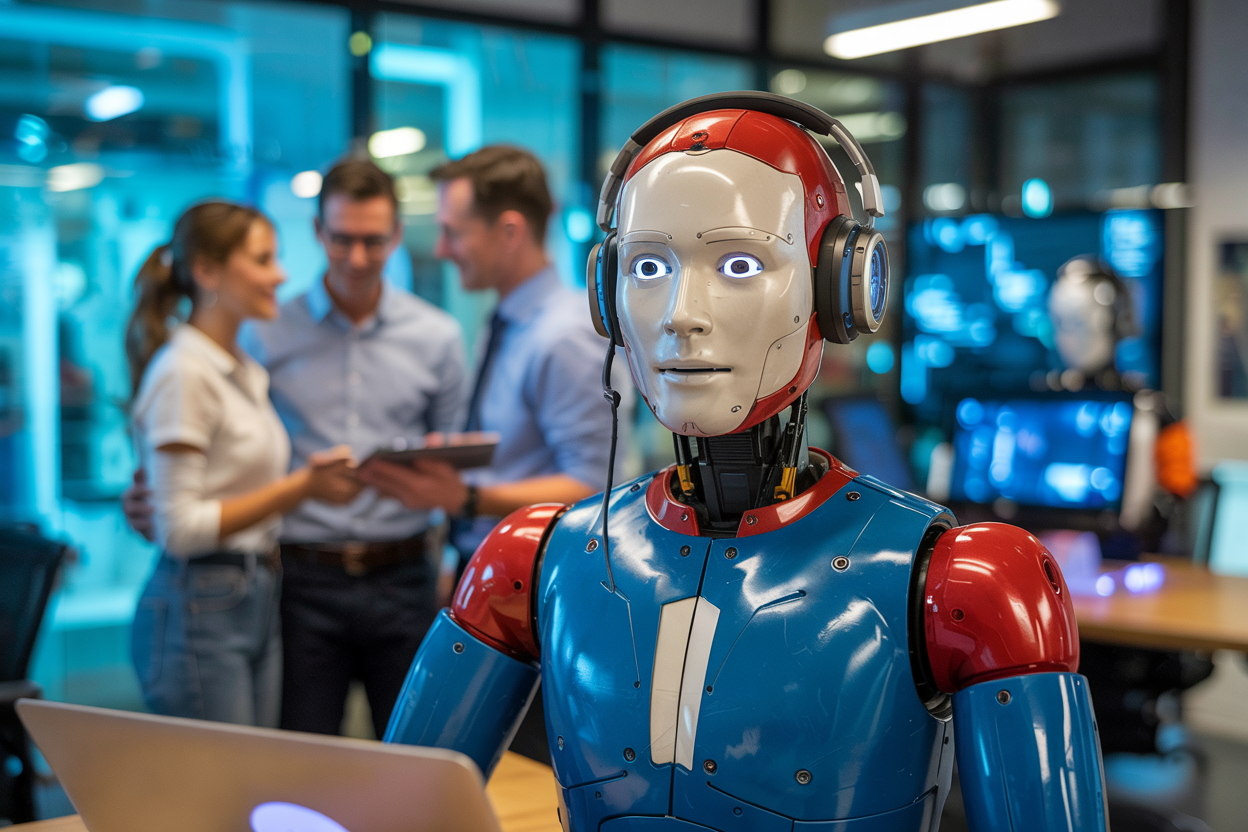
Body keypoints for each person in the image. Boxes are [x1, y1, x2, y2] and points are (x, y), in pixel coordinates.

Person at [382, 92, 1108, 832]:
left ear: (842, 287)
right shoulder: (533, 558)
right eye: (648, 266)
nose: (679, 312)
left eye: (737, 262)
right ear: (606, 292)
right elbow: (388, 807)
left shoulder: (968, 582)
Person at [127, 160, 468, 738]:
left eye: (374, 240)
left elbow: (448, 462)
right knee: (293, 765)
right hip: (298, 581)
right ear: (318, 232)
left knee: (414, 755)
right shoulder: (256, 334)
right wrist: (152, 498)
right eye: (342, 239)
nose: (357, 257)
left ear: (393, 236)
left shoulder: (436, 337)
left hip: (400, 573)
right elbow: (187, 483)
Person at [126, 201, 360, 727]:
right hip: (200, 601)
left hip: (250, 593)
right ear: (207, 271)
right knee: (219, 795)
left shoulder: (239, 368)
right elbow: (181, 529)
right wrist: (304, 487)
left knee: (245, 787)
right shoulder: (185, 371)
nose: (279, 275)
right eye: (262, 260)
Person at [356, 145, 627, 563]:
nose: (442, 250)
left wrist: (466, 497)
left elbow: (593, 486)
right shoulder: (507, 321)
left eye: (454, 233)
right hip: (493, 560)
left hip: (534, 569)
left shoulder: (566, 336)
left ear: (509, 232)